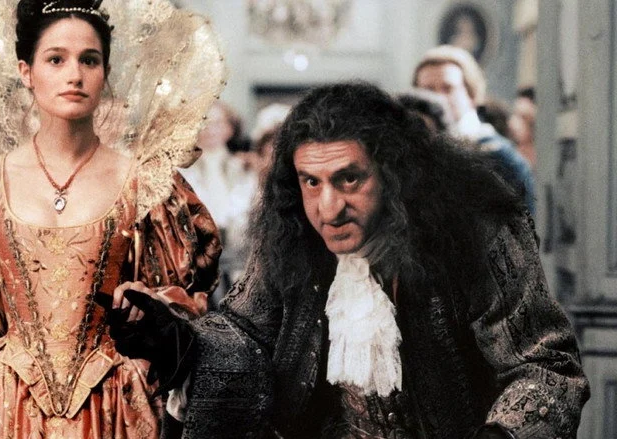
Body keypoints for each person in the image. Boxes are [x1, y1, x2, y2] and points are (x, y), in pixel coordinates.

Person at [0, 0, 226, 437]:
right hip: (2, 402)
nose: (74, 75)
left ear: (105, 73)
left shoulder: (147, 184)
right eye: (55, 59)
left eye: (90, 60)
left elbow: (184, 302)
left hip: (110, 404)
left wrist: (149, 304)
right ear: (26, 72)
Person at [181, 83, 589, 438]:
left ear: (395, 174)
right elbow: (245, 332)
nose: (329, 208)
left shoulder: (477, 234)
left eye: (349, 178)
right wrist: (179, 343)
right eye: (312, 181)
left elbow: (545, 365)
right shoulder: (293, 238)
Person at [413, 45, 536, 214]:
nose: (438, 98)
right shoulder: (415, 152)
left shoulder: (498, 157)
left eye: (448, 88)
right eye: (428, 90)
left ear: (472, 95)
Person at [180, 101, 258, 306]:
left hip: (238, 259)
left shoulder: (244, 167)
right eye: (204, 122)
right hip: (197, 262)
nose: (209, 129)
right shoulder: (182, 170)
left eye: (217, 123)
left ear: (230, 128)